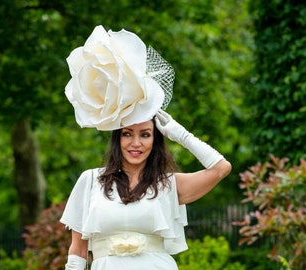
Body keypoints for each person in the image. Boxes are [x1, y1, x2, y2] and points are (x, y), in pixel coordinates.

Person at [60, 25, 231, 270]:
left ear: (156, 139)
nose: (136, 143)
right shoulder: (89, 182)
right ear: (117, 139)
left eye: (146, 134)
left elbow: (220, 168)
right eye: (128, 134)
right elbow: (76, 250)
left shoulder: (168, 184)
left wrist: (179, 133)